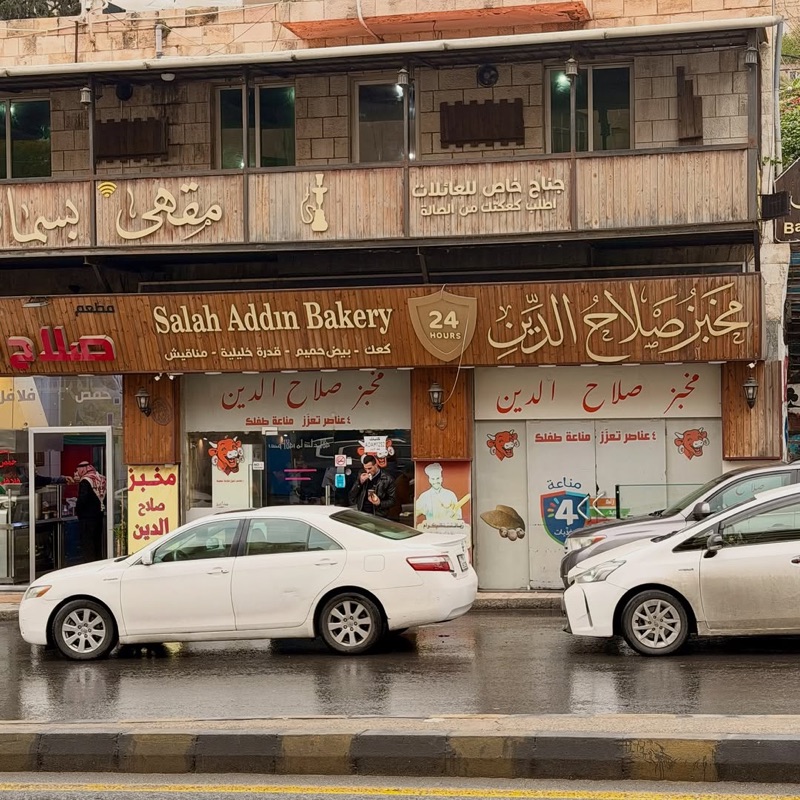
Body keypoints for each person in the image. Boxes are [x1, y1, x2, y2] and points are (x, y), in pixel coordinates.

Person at [73, 461, 106, 561]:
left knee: (88, 545)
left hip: (87, 518)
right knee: (97, 543)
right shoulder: (101, 478)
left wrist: (77, 511)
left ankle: (90, 565)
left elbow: (83, 498)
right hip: (99, 516)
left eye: (77, 470)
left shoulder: (85, 480)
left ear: (82, 469)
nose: (76, 472)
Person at [348, 454, 396, 518]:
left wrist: (380, 503)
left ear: (376, 465)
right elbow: (352, 495)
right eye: (365, 469)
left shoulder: (387, 479)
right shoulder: (362, 475)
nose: (368, 471)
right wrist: (360, 482)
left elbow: (392, 501)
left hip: (378, 515)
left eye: (370, 468)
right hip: (362, 513)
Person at [416, 462, 462, 526]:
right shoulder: (424, 496)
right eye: (433, 479)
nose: (435, 481)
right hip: (431, 530)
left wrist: (451, 518)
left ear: (441, 479)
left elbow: (458, 515)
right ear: (429, 480)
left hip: (448, 530)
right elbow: (415, 513)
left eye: (437, 478)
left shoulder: (450, 495)